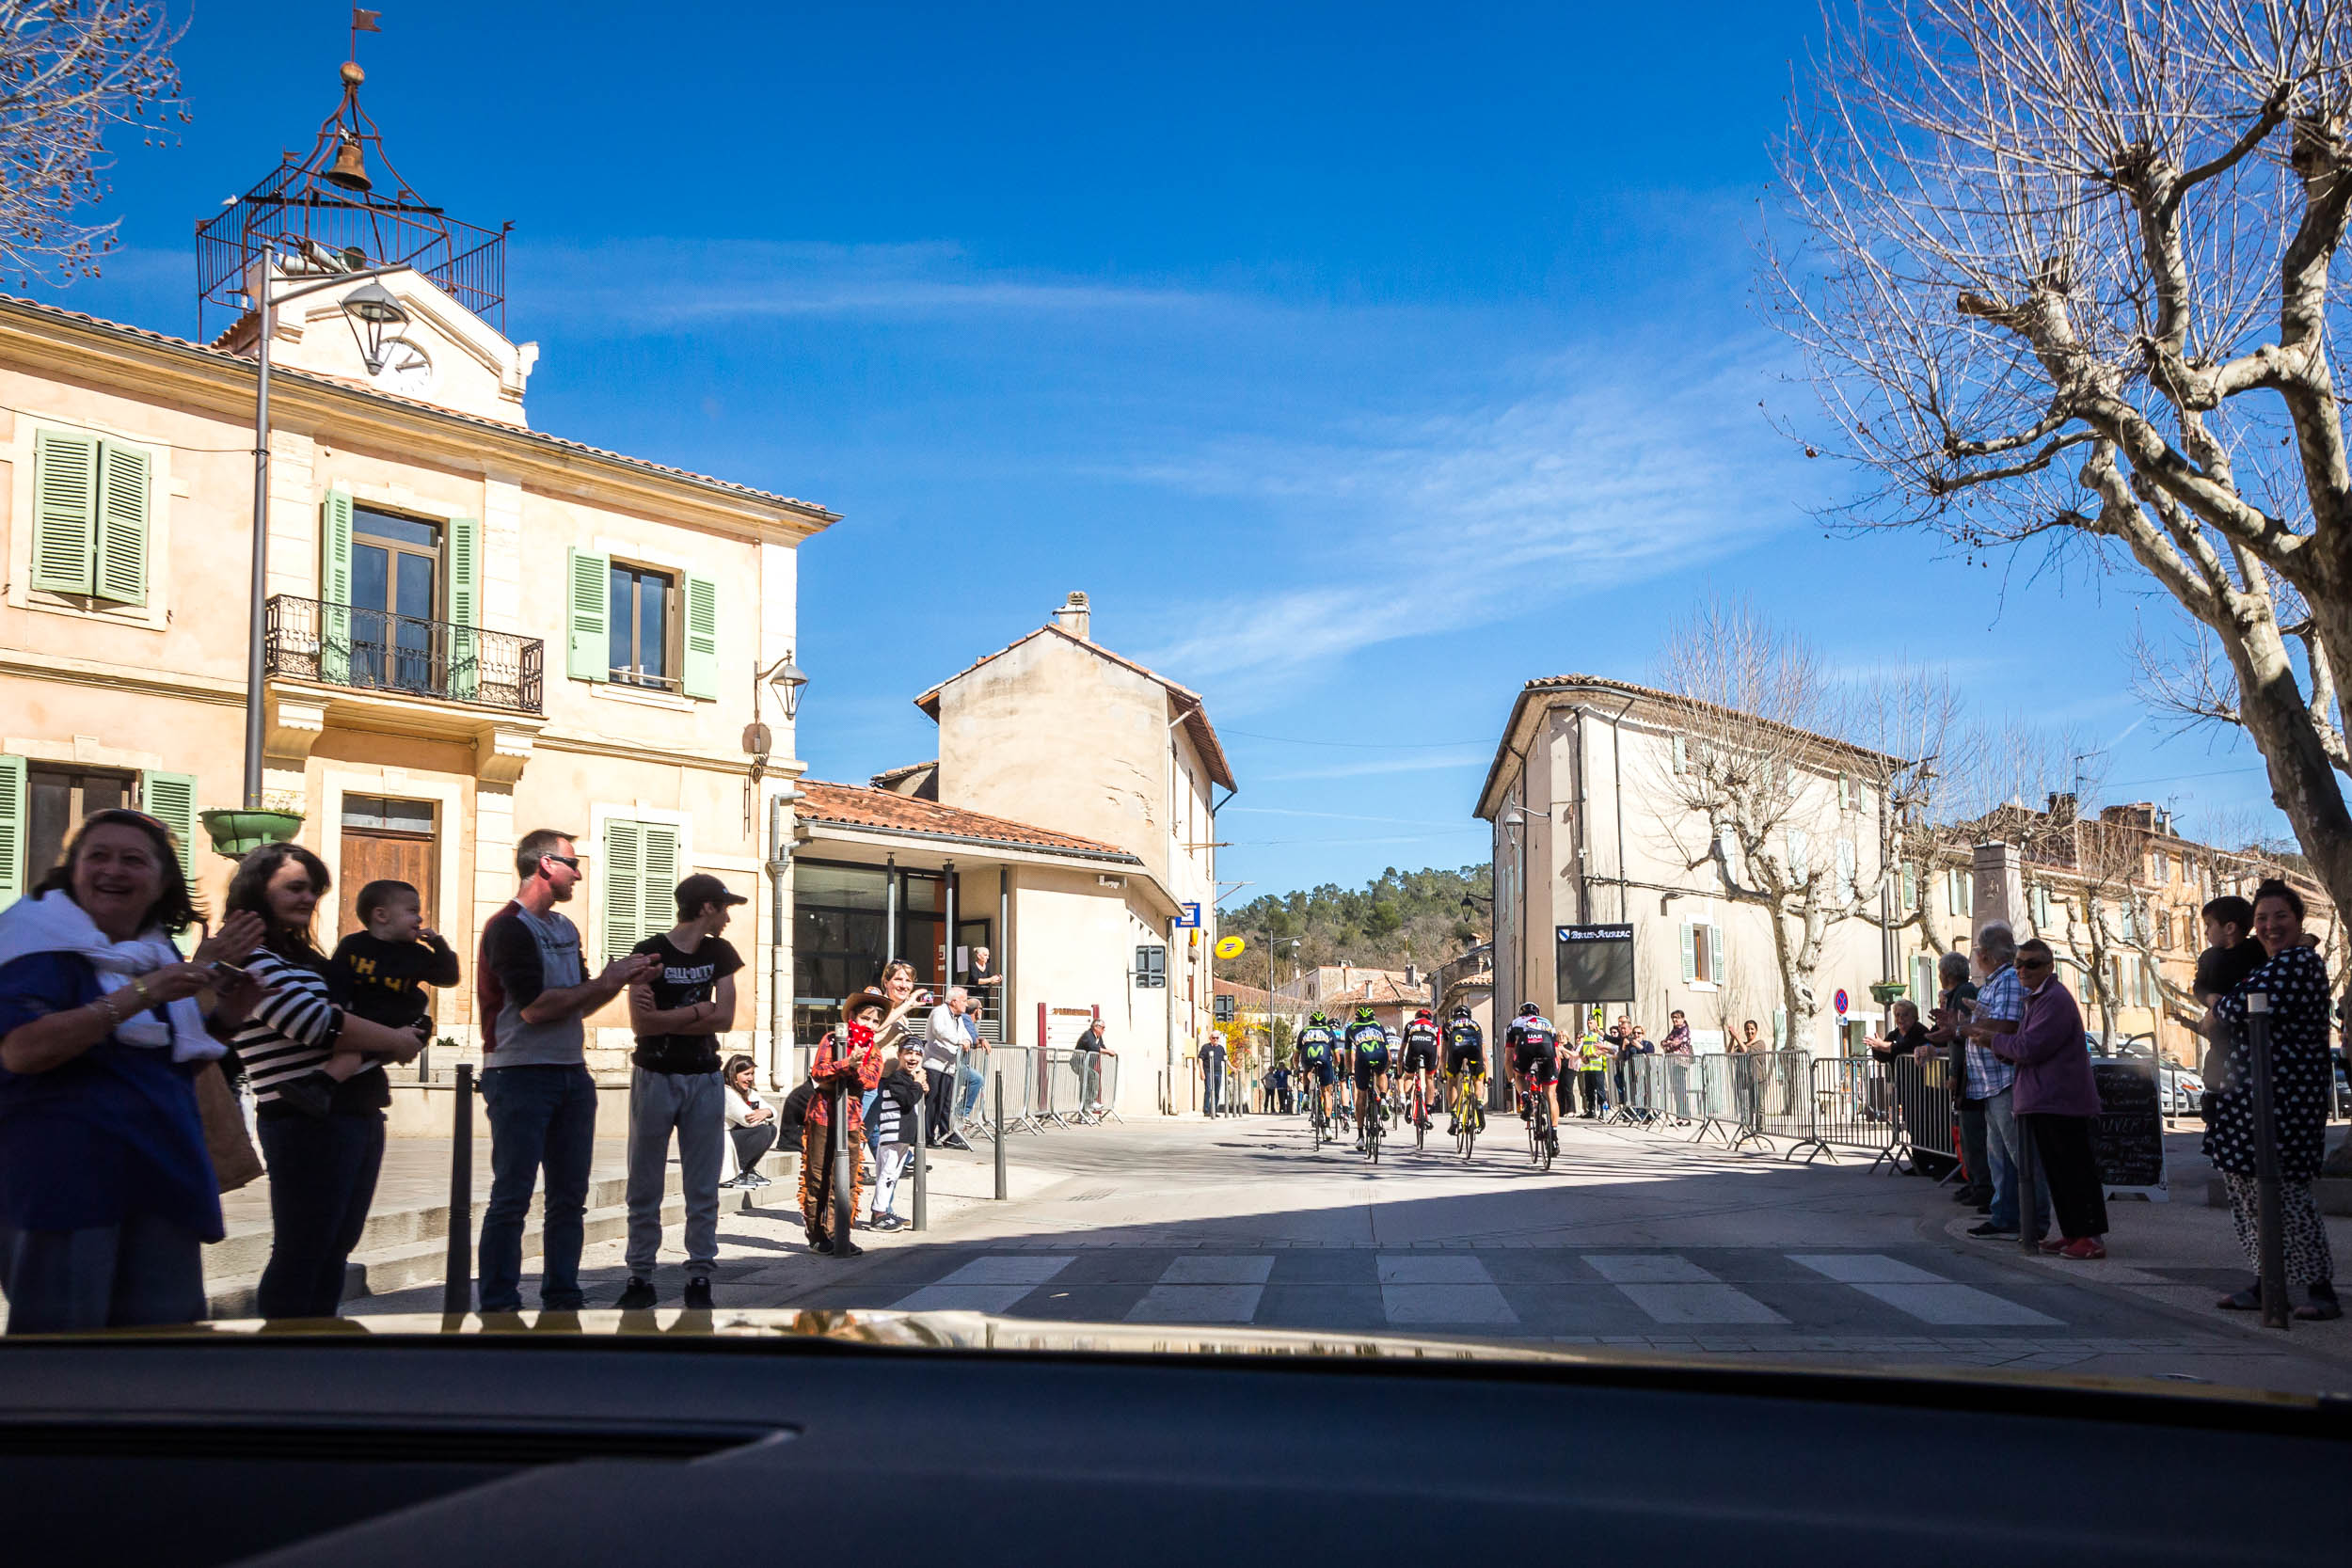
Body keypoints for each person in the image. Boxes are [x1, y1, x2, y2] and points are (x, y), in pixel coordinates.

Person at [0, 810, 263, 1333]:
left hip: (162, 1178)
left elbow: (167, 1057)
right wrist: (145, 992)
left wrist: (230, 1017)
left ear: (162, 881)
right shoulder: (34, 946)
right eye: (97, 856)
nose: (112, 870)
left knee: (164, 1362)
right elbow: (22, 1051)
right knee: (67, 1369)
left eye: (133, 860)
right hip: (67, 1190)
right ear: (71, 872)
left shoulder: (151, 950)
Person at [226, 843, 432, 1320]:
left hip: (355, 1110)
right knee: (303, 1247)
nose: (307, 899)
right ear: (257, 890)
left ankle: (317, 1350)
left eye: (313, 890)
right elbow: (314, 1023)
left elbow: (347, 1016)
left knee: (335, 1247)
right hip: (303, 1117)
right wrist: (396, 1039)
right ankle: (284, 1360)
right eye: (294, 887)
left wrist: (395, 1032)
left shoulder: (310, 959)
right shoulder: (249, 957)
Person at [476, 829, 656, 1314]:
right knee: (511, 1197)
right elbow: (534, 1008)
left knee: (569, 1198)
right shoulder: (507, 927)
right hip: (518, 1073)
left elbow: (577, 1003)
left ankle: (562, 1295)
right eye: (573, 863)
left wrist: (618, 982)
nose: (579, 873)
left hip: (570, 1073)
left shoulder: (564, 928)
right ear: (545, 865)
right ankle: (498, 1304)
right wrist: (608, 980)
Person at [613, 873, 746, 1312]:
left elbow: (725, 1018)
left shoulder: (721, 953)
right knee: (644, 1181)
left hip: (704, 1074)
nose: (728, 917)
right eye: (724, 908)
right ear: (706, 907)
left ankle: (700, 1275)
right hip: (654, 1073)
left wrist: (671, 1015)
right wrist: (697, 1010)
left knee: (702, 1183)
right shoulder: (649, 953)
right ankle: (639, 1276)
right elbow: (641, 1025)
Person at [2207, 880, 2340, 1320]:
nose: (2269, 925)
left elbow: (2235, 1007)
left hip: (2282, 1105)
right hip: (2249, 1104)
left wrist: (2221, 1007)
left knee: (2287, 1197)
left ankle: (2320, 1290)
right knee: (2249, 1197)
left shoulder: (2298, 962)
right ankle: (2268, 1282)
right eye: (2262, 918)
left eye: (2280, 916)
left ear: (2299, 921)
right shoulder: (2274, 964)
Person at [1990, 939, 2107, 1259]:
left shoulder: (2053, 999)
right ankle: (2073, 1233)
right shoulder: (2038, 999)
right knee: (2059, 1173)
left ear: (2048, 966)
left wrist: (1993, 1040)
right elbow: (2026, 1046)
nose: (2022, 970)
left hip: (2061, 1100)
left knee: (2074, 1172)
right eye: (2018, 964)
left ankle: (2088, 1236)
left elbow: (2030, 1047)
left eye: (2031, 964)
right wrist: (2003, 1048)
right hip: (2047, 1099)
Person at [302, 879, 458, 1117]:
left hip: (404, 1021)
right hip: (365, 1018)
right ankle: (322, 1085)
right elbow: (338, 977)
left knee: (370, 1047)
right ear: (381, 915)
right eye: (412, 911)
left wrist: (438, 944)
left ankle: (323, 1084)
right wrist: (337, 1005)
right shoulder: (353, 945)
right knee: (354, 1052)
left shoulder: (417, 954)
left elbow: (449, 977)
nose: (419, 919)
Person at [1960, 923, 2049, 1244]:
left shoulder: (2008, 980)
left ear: (1984, 954)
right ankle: (2006, 1215)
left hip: (2005, 1080)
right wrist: (1969, 1023)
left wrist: (1968, 1027)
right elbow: (1994, 1021)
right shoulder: (1995, 982)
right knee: (2000, 1156)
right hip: (1991, 1082)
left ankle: (2034, 1220)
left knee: (2020, 1155)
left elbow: (2007, 1025)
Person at [803, 988, 888, 1256]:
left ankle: (839, 1232)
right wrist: (845, 1064)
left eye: (875, 1021)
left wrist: (856, 1065)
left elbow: (870, 1081)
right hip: (823, 1113)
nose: (870, 1025)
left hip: (851, 1117)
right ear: (853, 1016)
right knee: (817, 1176)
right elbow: (818, 1072)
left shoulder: (874, 1051)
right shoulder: (831, 1040)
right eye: (866, 1018)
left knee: (848, 1179)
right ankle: (817, 1235)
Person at [1926, 952, 1987, 1211]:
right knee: (1968, 1133)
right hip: (1967, 1072)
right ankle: (1976, 1182)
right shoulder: (1961, 993)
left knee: (1973, 1134)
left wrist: (1953, 1073)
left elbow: (1961, 1038)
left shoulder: (1963, 995)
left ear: (1947, 973)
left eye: (1940, 971)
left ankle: (1982, 1185)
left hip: (1969, 1075)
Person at [2193, 895, 2262, 1120]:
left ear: (2229, 927)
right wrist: (2210, 998)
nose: (2205, 932)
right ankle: (2211, 1102)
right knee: (2213, 1068)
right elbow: (2198, 987)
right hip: (2220, 1036)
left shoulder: (2256, 950)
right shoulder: (2208, 958)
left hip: (2248, 1037)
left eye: (2209, 925)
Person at [868, 1041, 925, 1231]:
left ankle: (883, 1211)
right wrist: (917, 1084)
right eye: (908, 1053)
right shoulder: (897, 1078)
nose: (913, 1058)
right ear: (900, 1054)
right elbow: (906, 1101)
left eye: (917, 1055)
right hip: (893, 1135)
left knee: (892, 1175)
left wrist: (920, 1086)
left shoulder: (909, 1078)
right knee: (887, 1174)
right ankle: (878, 1214)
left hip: (903, 1136)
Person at [1506, 1003, 1562, 1156]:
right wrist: (1555, 1076)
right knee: (1551, 1095)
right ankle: (1554, 1135)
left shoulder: (1515, 1024)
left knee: (1519, 1075)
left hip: (1526, 1046)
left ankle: (1525, 1099)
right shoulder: (1548, 1023)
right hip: (1546, 1046)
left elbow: (1509, 1056)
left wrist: (1511, 1078)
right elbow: (1556, 1054)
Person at [921, 986, 973, 1148]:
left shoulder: (958, 1018)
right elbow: (939, 1030)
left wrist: (968, 1041)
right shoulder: (939, 1012)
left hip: (949, 1066)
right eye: (964, 1000)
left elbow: (966, 1036)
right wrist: (959, 1042)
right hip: (935, 1064)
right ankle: (927, 1137)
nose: (966, 1004)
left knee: (946, 1103)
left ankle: (947, 1136)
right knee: (934, 1103)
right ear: (954, 1001)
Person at [721, 1054, 776, 1190]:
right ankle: (736, 1173)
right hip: (718, 1142)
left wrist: (767, 1112)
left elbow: (773, 1111)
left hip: (732, 1136)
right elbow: (749, 1120)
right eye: (746, 1074)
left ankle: (747, 1170)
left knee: (772, 1129)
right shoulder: (725, 1092)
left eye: (752, 1074)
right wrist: (764, 1114)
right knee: (762, 1130)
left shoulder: (749, 1092)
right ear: (734, 1075)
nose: (750, 1078)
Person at [1344, 1006, 1391, 1149]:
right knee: (1381, 1073)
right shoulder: (1378, 1026)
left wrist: (1350, 1071)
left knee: (1361, 1095)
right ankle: (1383, 1098)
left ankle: (1360, 1136)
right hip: (1380, 1055)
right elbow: (1388, 1054)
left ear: (1357, 1019)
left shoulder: (1351, 1028)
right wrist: (1385, 1068)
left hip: (1363, 1058)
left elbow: (1348, 1054)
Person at [1443, 1004, 1486, 1137]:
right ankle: (1479, 1104)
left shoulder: (1448, 1025)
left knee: (1452, 1081)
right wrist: (1486, 1078)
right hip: (1474, 1050)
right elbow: (1484, 1056)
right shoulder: (1475, 1025)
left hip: (1456, 1051)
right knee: (1478, 1080)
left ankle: (1454, 1115)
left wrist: (1443, 1073)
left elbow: (1443, 1051)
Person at [1295, 1011, 1340, 1129]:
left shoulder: (1304, 1031)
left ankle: (1305, 1094)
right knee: (1327, 1094)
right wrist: (1335, 1067)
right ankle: (1328, 1126)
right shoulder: (1329, 1031)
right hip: (1325, 1060)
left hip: (1307, 1058)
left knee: (1306, 1070)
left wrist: (1297, 1068)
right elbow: (1337, 1057)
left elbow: (1296, 1056)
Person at [1398, 1008, 1441, 1130]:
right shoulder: (1436, 1027)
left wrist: (1400, 1067)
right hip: (1430, 1046)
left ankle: (1408, 1100)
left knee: (1409, 1076)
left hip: (1414, 1045)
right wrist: (1436, 1070)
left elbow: (1402, 1047)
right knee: (1429, 1079)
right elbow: (1439, 1054)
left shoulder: (1410, 1024)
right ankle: (1429, 1110)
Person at [1072, 1017, 1112, 1115]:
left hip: (1087, 1065)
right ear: (1096, 1027)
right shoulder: (1088, 1035)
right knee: (1094, 1075)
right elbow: (1093, 1047)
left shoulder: (1098, 1037)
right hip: (1078, 1063)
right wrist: (1108, 1051)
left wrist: (1109, 1052)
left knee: (1086, 1085)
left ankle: (1084, 1114)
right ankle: (1091, 1102)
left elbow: (1101, 1047)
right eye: (1102, 1028)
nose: (1103, 1030)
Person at [1661, 1009, 1694, 1124]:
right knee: (1676, 1089)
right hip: (1673, 1061)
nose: (1675, 1020)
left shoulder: (1684, 1030)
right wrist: (1668, 1042)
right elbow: (1663, 1042)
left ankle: (1686, 1117)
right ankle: (1679, 1116)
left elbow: (1676, 1042)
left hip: (1681, 1061)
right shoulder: (1674, 1030)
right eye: (1673, 1018)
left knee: (1681, 1089)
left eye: (1677, 1017)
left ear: (1683, 1018)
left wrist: (1668, 1043)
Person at [1579, 1021, 1612, 1119]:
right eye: (1588, 1023)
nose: (1589, 1025)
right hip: (1588, 1067)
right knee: (1589, 1090)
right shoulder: (1586, 1036)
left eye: (1591, 1023)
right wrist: (1582, 1057)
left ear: (1596, 1024)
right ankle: (1591, 1110)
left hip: (1597, 1067)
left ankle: (1603, 1110)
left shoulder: (1598, 1036)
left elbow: (1601, 1050)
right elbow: (1581, 1050)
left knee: (1600, 1090)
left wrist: (1589, 1056)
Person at [1199, 1028, 1228, 1117]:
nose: (1215, 1039)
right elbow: (1200, 1058)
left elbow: (1226, 1059)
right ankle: (1206, 1110)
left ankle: (1214, 1110)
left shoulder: (1221, 1048)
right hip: (1208, 1071)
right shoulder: (1206, 1047)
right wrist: (1201, 1071)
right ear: (1210, 1038)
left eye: (1217, 1038)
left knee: (1216, 1092)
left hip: (1218, 1072)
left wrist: (1233, 1068)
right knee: (1208, 1090)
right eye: (1214, 1038)